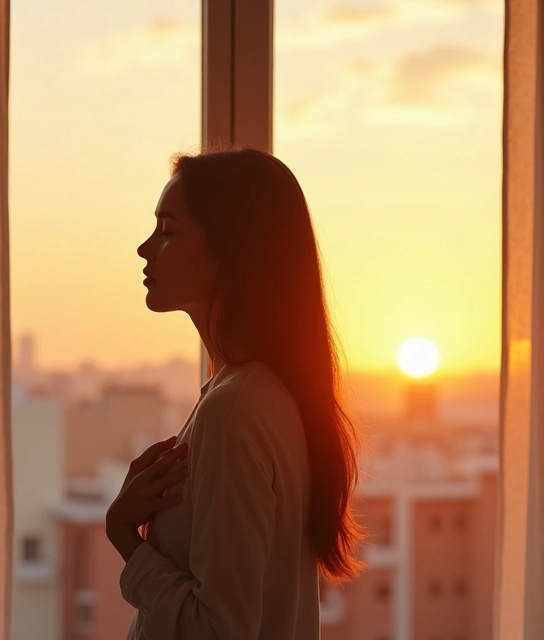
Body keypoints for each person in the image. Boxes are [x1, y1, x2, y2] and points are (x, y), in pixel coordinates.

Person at [106, 147, 366, 639]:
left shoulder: (236, 409)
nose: (145, 248)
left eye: (167, 230)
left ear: (230, 248)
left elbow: (220, 629)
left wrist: (125, 537)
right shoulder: (250, 395)